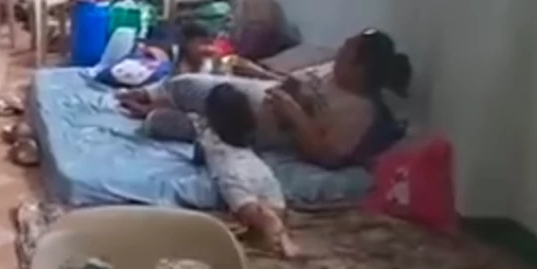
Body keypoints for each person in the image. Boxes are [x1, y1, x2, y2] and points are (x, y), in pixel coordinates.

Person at [119, 29, 410, 168]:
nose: (338, 57)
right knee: (187, 85)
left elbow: (328, 157)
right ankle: (150, 95)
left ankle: (164, 112)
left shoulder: (360, 111)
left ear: (361, 69)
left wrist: (294, 113)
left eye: (346, 54)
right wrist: (256, 71)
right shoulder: (332, 73)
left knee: (165, 121)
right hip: (261, 96)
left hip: (265, 125)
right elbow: (288, 84)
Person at [196, 84, 297, 257]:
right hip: (258, 169)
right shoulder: (248, 137)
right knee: (273, 201)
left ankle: (272, 226)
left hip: (232, 171)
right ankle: (273, 225)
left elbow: (197, 155)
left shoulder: (208, 136)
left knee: (245, 207)